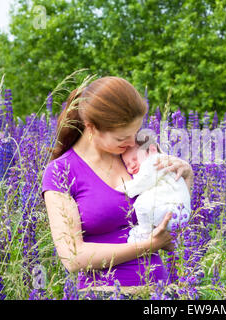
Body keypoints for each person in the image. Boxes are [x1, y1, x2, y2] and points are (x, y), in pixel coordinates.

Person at [41, 76, 194, 296]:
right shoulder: (61, 172)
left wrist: (184, 179)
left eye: (137, 132)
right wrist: (149, 245)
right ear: (91, 128)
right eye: (123, 137)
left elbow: (171, 236)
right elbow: (73, 258)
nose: (134, 142)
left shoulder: (134, 156)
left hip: (161, 292)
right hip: (103, 293)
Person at [120, 137, 191, 243]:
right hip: (175, 211)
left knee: (141, 205)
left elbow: (143, 182)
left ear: (152, 150)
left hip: (174, 210)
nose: (132, 165)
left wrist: (122, 188)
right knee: (145, 205)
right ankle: (173, 240)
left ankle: (143, 234)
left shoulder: (156, 162)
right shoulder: (148, 165)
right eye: (127, 165)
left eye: (135, 159)